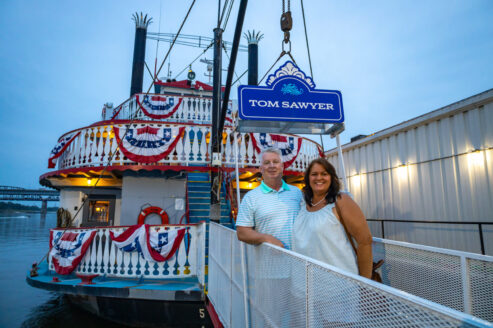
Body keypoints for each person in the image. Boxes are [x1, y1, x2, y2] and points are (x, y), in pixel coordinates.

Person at [292, 158, 373, 278]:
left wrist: (365, 284)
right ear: (308, 179)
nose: (319, 178)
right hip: (304, 282)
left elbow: (365, 241)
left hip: (338, 283)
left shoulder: (340, 200)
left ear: (331, 177)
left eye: (324, 174)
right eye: (314, 174)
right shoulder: (303, 204)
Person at [236, 148, 302, 250]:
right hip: (268, 263)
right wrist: (266, 238)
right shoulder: (251, 197)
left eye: (275, 162)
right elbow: (242, 232)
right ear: (261, 169)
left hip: (298, 261)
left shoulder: (297, 193)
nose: (272, 166)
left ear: (282, 166)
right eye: (267, 163)